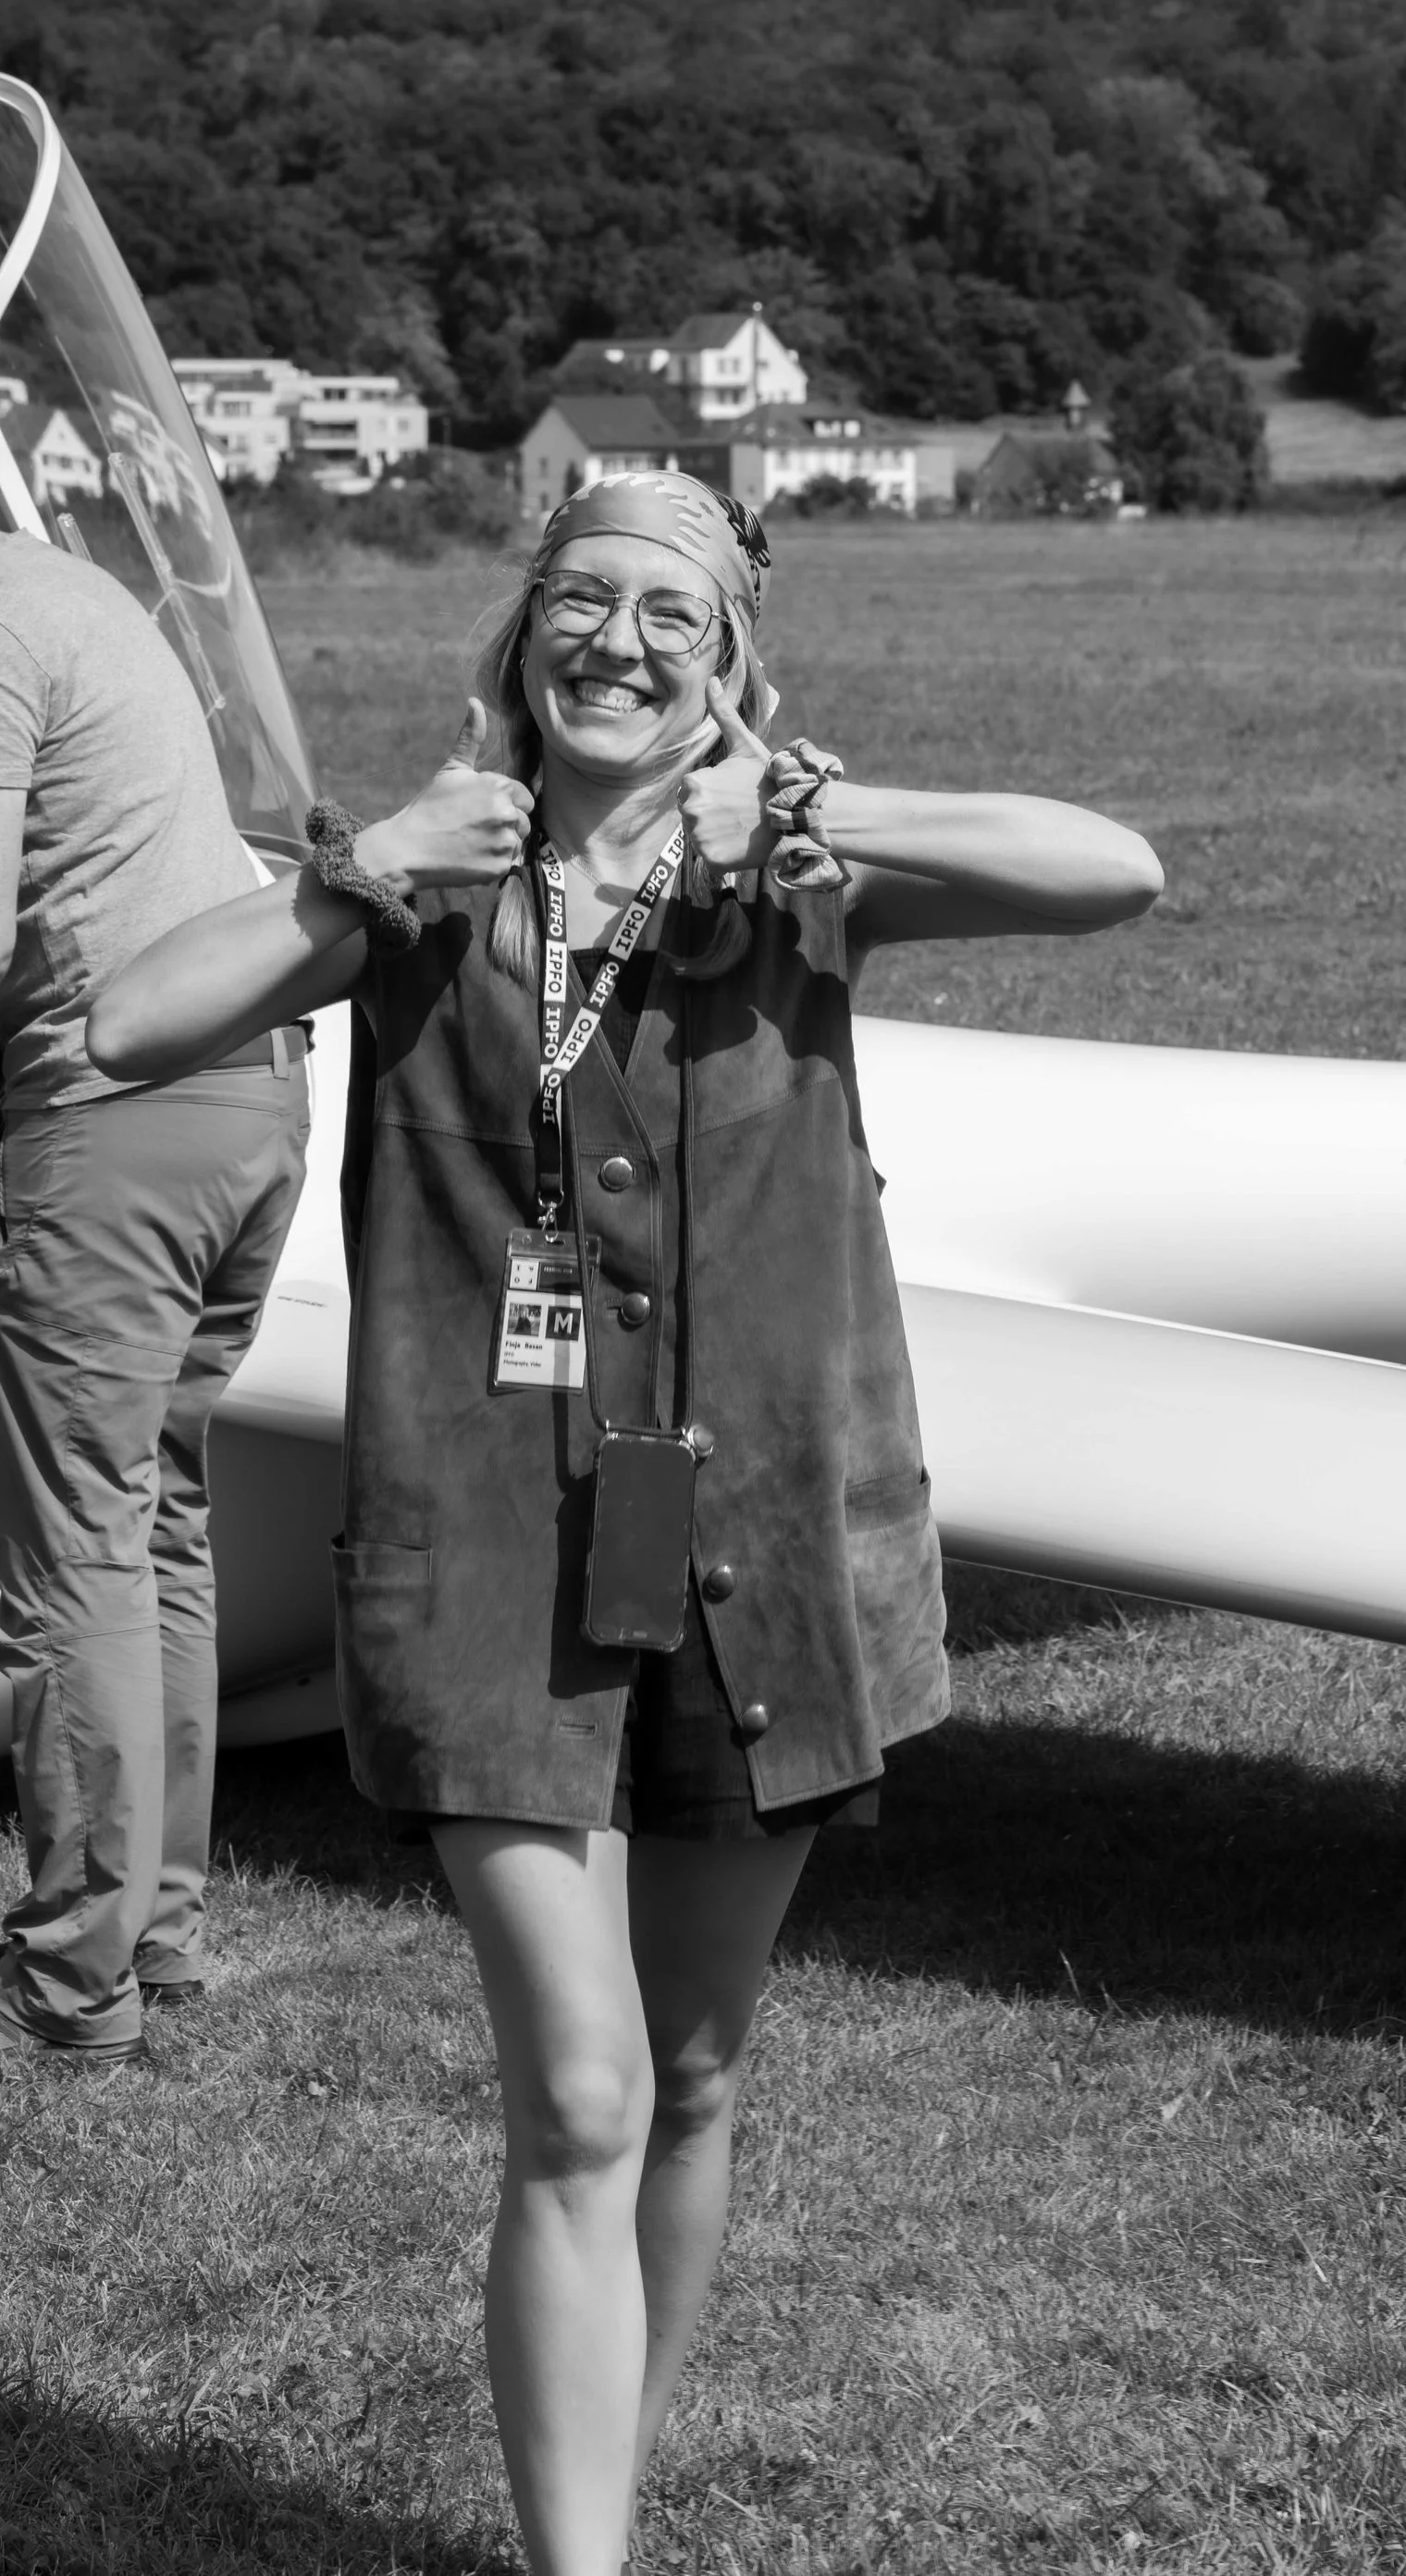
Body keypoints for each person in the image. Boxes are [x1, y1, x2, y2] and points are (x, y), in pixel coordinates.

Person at [89, 470, 1161, 2576]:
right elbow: (130, 1018)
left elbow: (1111, 869)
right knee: (574, 2090)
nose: (618, 644)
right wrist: (357, 864)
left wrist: (829, 819)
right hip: (482, 1562)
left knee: (687, 2080)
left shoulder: (797, 879)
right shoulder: (422, 889)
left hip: (759, 1541)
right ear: (515, 638)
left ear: (731, 663)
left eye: (670, 615)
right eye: (578, 603)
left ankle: (612, 2489)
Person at [0, 531, 309, 2062]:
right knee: (153, 1520)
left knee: (70, 1546)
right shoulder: (75, 588)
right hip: (253, 1097)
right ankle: (159, 1933)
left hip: (111, 1115)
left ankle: (74, 1985)